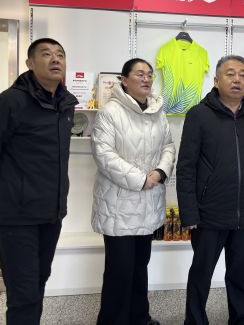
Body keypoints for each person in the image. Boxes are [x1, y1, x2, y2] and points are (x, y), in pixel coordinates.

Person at [0, 38, 78, 324]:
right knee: (23, 293)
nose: (55, 59)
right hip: (17, 216)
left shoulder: (64, 105)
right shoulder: (7, 103)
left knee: (39, 281)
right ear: (29, 63)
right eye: (46, 54)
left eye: (60, 54)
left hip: (51, 213)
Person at [177, 55, 244, 325]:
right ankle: (195, 321)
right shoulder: (198, 115)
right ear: (217, 80)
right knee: (201, 274)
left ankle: (240, 319)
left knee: (239, 273)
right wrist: (189, 213)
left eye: (242, 74)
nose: (237, 79)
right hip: (209, 213)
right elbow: (186, 167)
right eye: (230, 74)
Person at [91, 58, 175, 325]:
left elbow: (168, 146)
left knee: (140, 267)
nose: (146, 79)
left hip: (148, 204)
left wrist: (160, 172)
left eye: (149, 74)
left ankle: (139, 318)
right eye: (139, 74)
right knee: (119, 272)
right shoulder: (110, 112)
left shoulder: (157, 111)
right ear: (124, 80)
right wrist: (141, 179)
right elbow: (104, 155)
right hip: (119, 205)